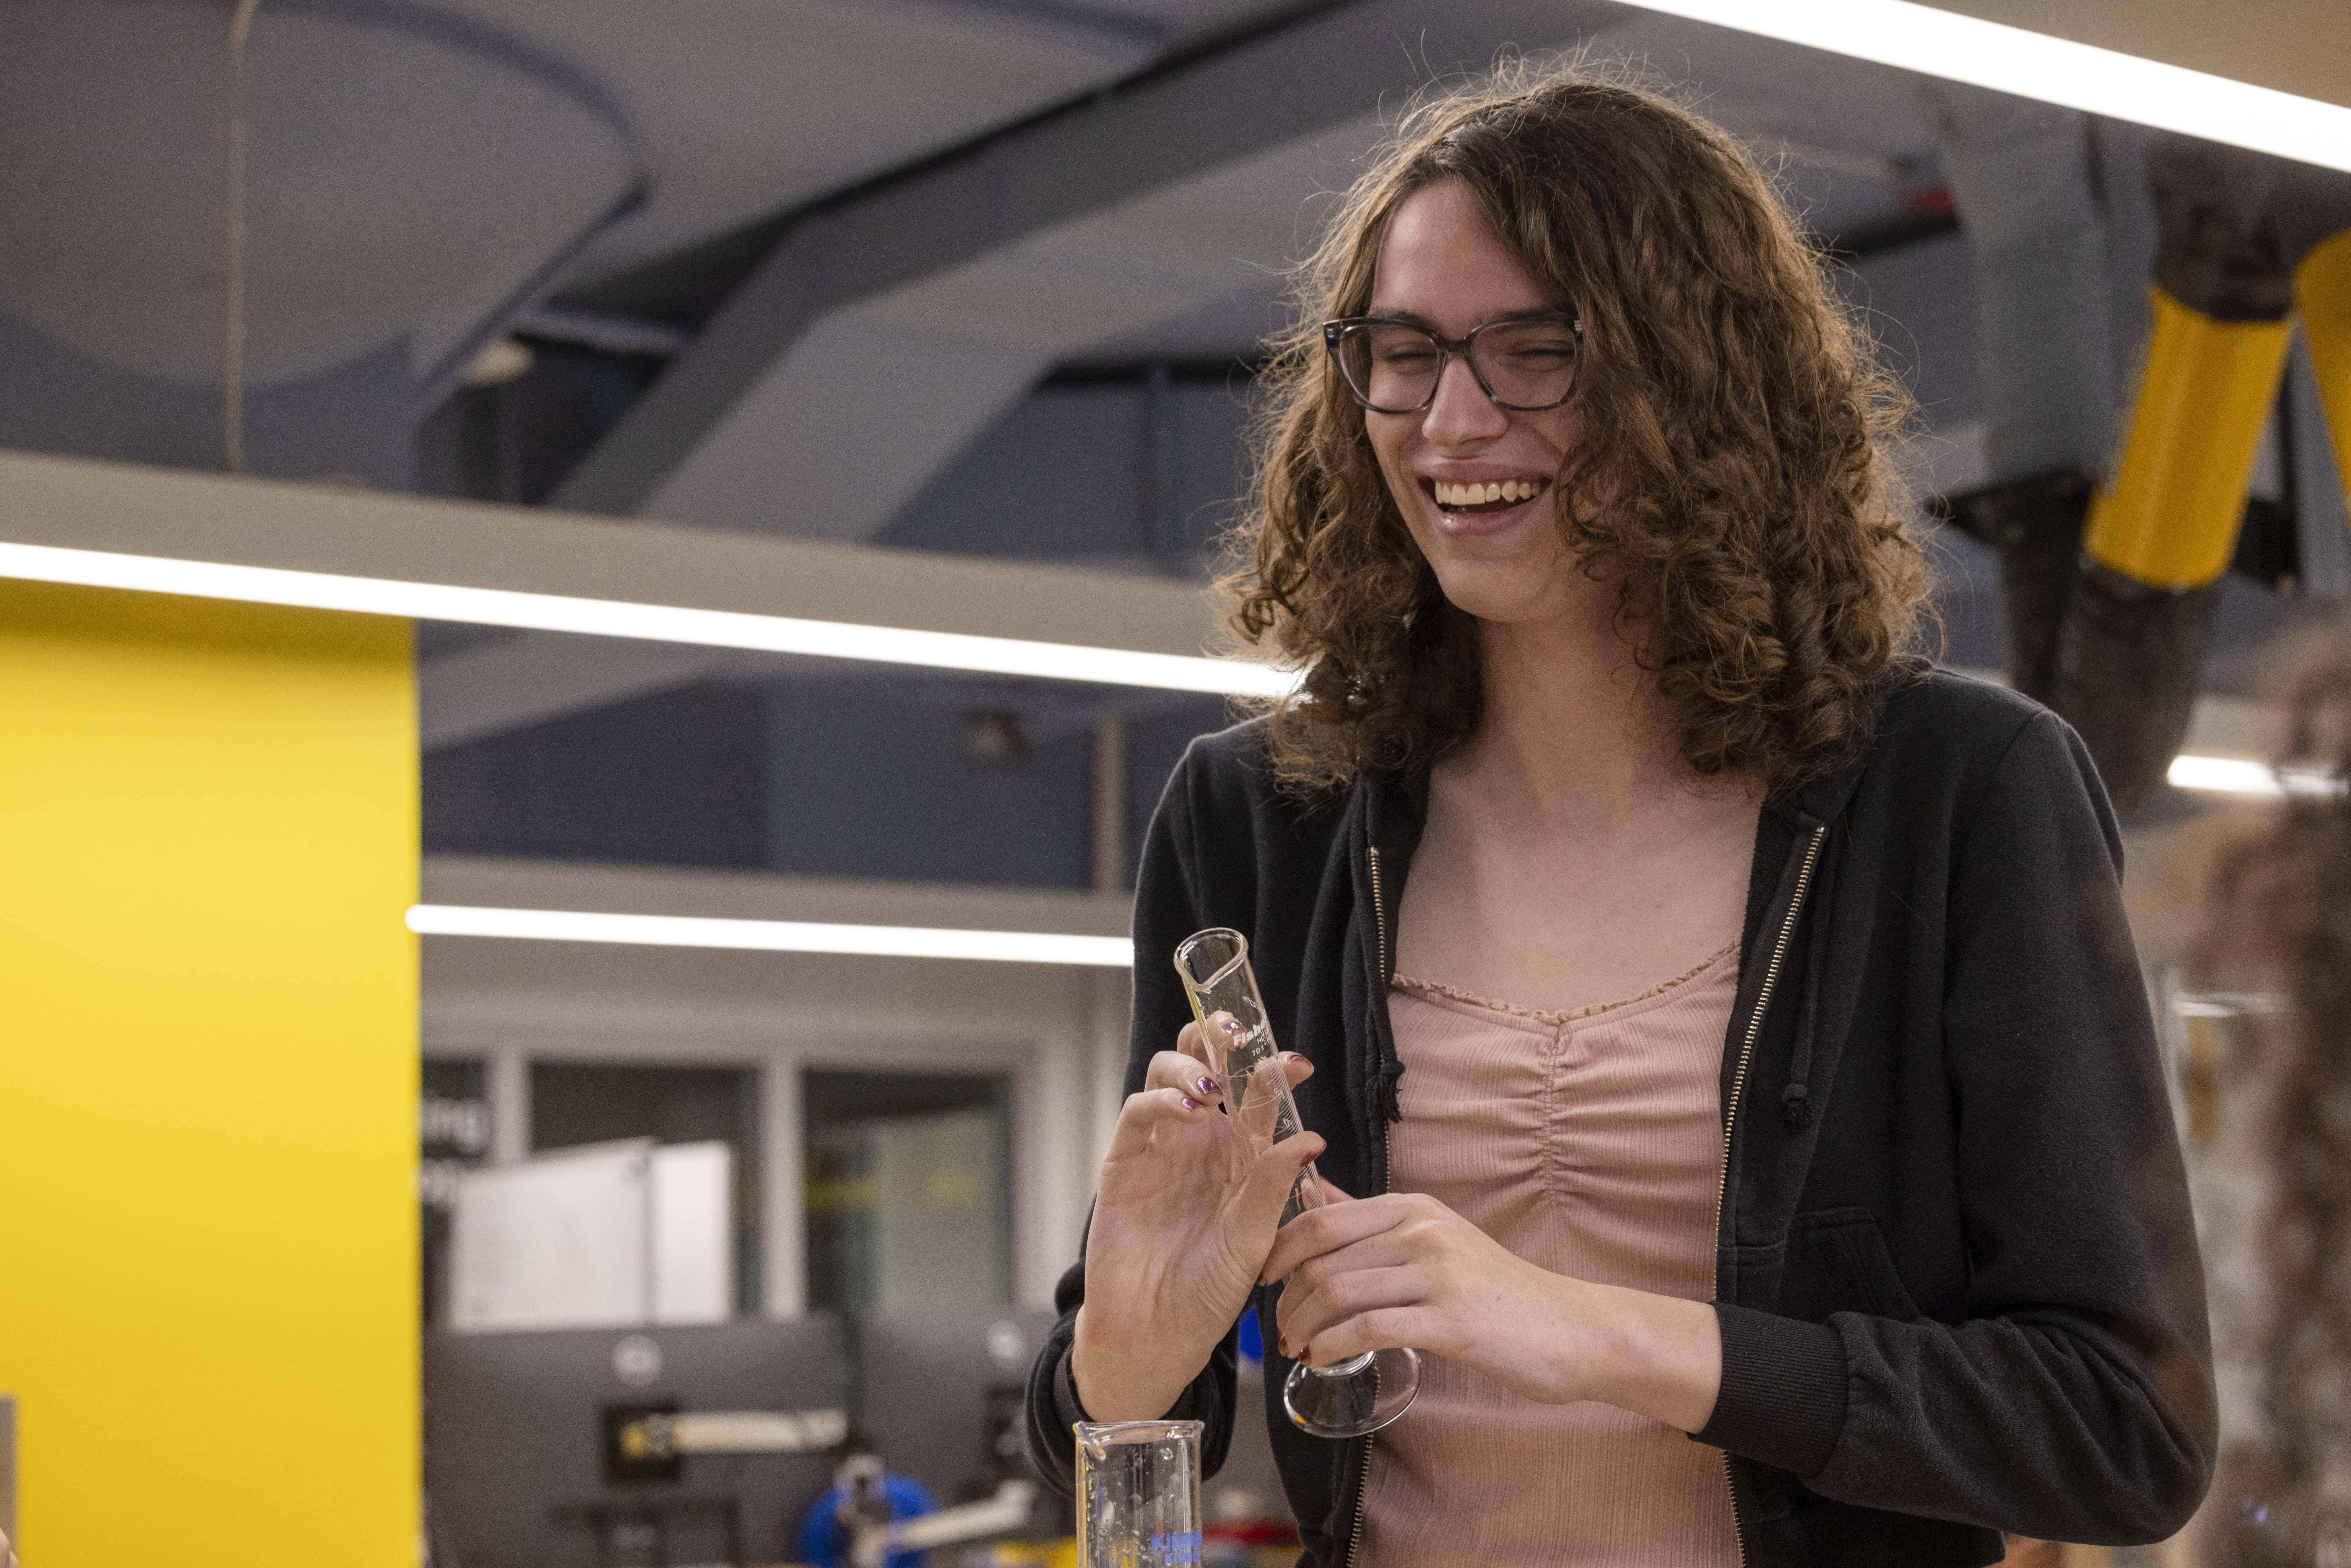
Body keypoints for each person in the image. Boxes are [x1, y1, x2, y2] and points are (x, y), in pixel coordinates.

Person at [1022, 60, 2215, 1567]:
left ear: (1701, 383)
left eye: (1536, 352)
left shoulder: (1961, 794)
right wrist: (1127, 1354)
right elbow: (1120, 1432)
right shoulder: (1257, 818)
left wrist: (1584, 1327)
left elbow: (2125, 1431)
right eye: (1404, 353)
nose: (1453, 420)